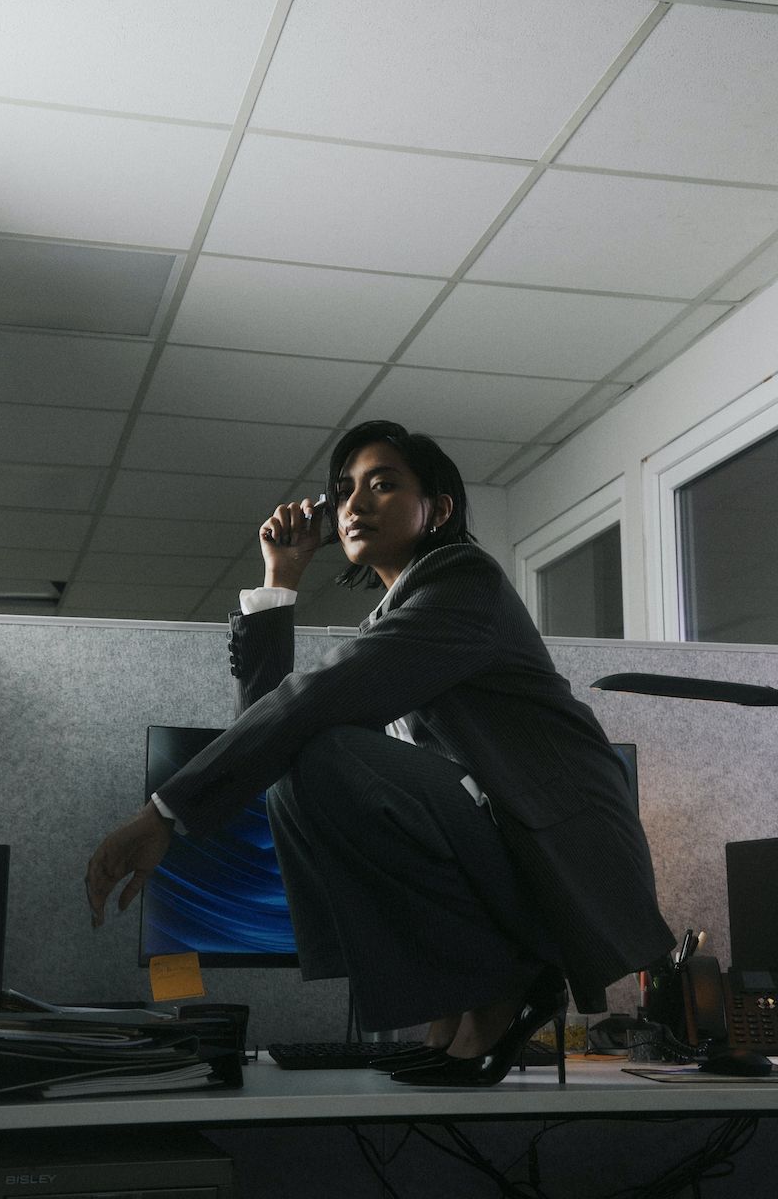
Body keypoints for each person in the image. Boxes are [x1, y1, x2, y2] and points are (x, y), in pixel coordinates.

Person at [85, 420, 674, 1087]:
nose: (354, 504)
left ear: (439, 510)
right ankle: (457, 998)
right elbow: (266, 731)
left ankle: (504, 986)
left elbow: (316, 700)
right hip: (499, 839)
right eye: (343, 492)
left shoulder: (463, 582)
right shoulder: (394, 617)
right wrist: (281, 579)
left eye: (384, 484)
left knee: (326, 751)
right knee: (298, 763)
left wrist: (163, 814)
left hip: (555, 851)